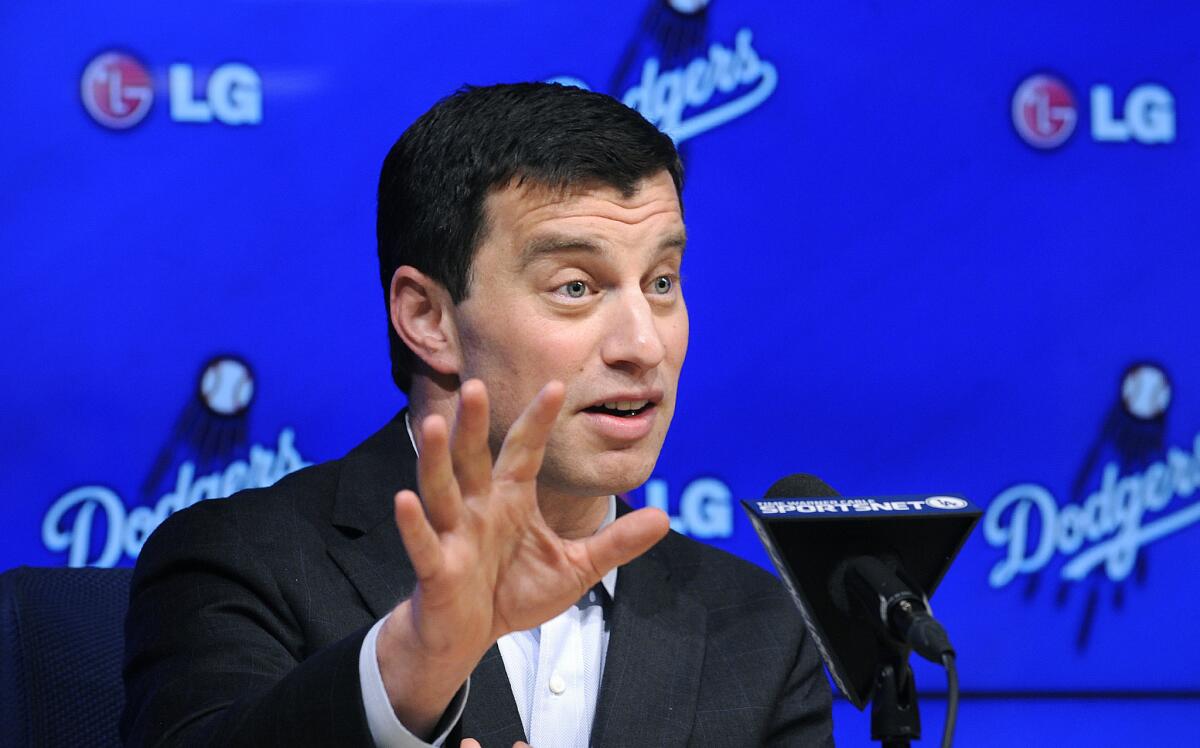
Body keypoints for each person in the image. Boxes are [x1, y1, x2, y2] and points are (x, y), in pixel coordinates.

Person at [122, 82, 833, 747]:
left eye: (662, 282)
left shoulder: (758, 629)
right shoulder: (243, 560)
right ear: (428, 317)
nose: (644, 344)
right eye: (577, 286)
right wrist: (417, 657)